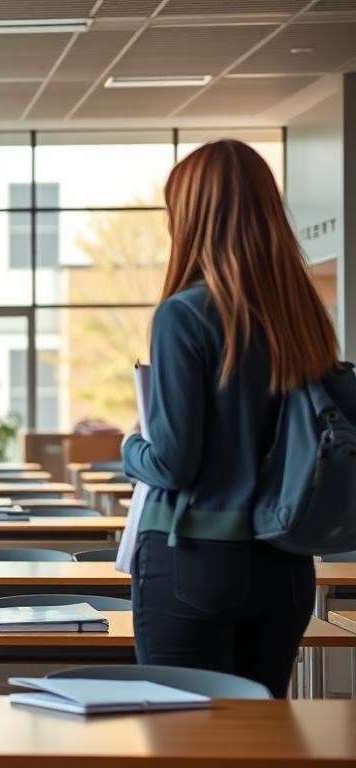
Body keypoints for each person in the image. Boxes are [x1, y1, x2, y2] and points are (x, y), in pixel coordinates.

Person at [121, 139, 339, 698]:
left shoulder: (184, 314)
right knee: (258, 735)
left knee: (182, 734)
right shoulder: (303, 315)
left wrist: (131, 445)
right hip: (284, 562)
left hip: (194, 560)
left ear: (192, 216)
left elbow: (173, 464)